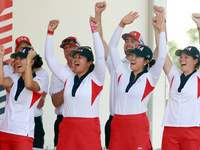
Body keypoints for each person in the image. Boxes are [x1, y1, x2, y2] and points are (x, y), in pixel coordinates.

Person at [107, 10, 166, 150]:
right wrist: (121, 24)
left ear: (146, 61)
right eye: (131, 54)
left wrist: (161, 30)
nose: (132, 58)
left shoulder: (151, 77)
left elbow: (162, 55)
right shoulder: (122, 72)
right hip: (117, 124)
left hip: (137, 126)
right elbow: (112, 47)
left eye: (137, 56)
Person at [45, 17, 105, 150]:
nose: (75, 59)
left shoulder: (96, 78)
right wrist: (50, 33)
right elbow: (49, 58)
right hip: (67, 129)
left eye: (80, 57)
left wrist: (94, 30)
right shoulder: (68, 77)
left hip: (88, 130)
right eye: (75, 56)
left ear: (89, 63)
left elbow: (100, 57)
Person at [94, 2, 144, 148]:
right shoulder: (116, 63)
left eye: (133, 41)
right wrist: (98, 15)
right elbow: (100, 41)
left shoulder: (146, 68)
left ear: (141, 46)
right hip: (114, 120)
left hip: (134, 122)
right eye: (126, 41)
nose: (128, 44)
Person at [153, 6, 200, 150]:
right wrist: (160, 26)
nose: (181, 59)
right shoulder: (174, 75)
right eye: (181, 57)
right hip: (170, 129)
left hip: (192, 129)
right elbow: (161, 53)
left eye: (186, 57)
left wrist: (199, 26)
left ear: (195, 60)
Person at [3, 36, 49, 149]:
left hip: (23, 132)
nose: (18, 61)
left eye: (21, 58)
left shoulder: (40, 79)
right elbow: (2, 81)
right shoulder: (14, 76)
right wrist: (0, 58)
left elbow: (28, 84)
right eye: (17, 58)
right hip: (4, 131)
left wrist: (28, 63)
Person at [49, 36, 80, 148]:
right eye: (65, 48)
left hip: (83, 120)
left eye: (71, 47)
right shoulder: (57, 74)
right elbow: (56, 102)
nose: (67, 50)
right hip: (63, 121)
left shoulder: (88, 72)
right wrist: (71, 81)